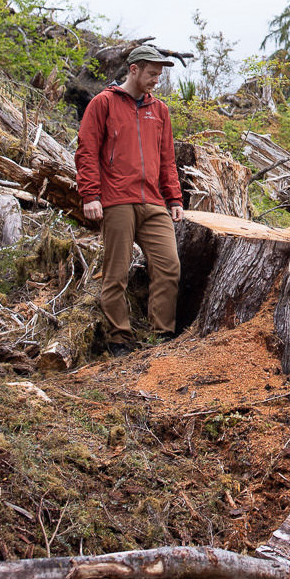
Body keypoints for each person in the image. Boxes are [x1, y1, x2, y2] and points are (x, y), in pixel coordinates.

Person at [75, 44, 184, 353]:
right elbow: (86, 152)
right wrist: (90, 195)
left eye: (159, 75)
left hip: (153, 202)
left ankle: (160, 335)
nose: (156, 80)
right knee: (116, 274)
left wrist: (174, 198)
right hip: (116, 200)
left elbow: (167, 159)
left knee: (169, 266)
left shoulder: (159, 110)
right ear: (133, 69)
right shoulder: (103, 104)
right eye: (152, 74)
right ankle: (118, 338)